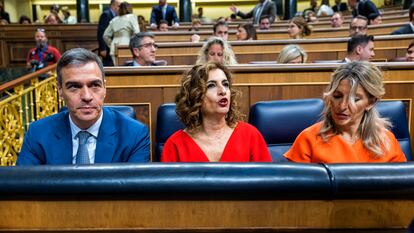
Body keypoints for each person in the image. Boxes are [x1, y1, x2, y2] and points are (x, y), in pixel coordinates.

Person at [17, 48, 150, 165]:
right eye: (74, 87)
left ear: (104, 88)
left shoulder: (134, 134)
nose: (87, 96)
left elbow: (134, 192)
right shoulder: (38, 133)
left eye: (95, 85)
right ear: (60, 91)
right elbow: (24, 188)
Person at [284, 61, 407, 163]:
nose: (342, 106)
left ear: (371, 103)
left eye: (355, 99)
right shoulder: (308, 139)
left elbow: (403, 187)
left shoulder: (386, 141)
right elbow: (295, 190)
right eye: (337, 96)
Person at [161, 62, 272, 162]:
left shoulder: (250, 135)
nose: (223, 91)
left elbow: (268, 182)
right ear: (196, 95)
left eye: (225, 84)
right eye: (211, 85)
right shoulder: (175, 144)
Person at [104, 1, 140, 66]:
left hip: (115, 46)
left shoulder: (114, 20)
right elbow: (137, 33)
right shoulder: (132, 17)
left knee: (117, 68)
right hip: (127, 45)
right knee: (129, 69)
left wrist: (111, 44)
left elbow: (105, 36)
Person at [97, 0, 121, 67]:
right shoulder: (106, 14)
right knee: (108, 66)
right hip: (106, 48)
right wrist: (102, 48)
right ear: (113, 5)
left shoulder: (116, 15)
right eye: (119, 6)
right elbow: (101, 32)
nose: (120, 8)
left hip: (112, 46)